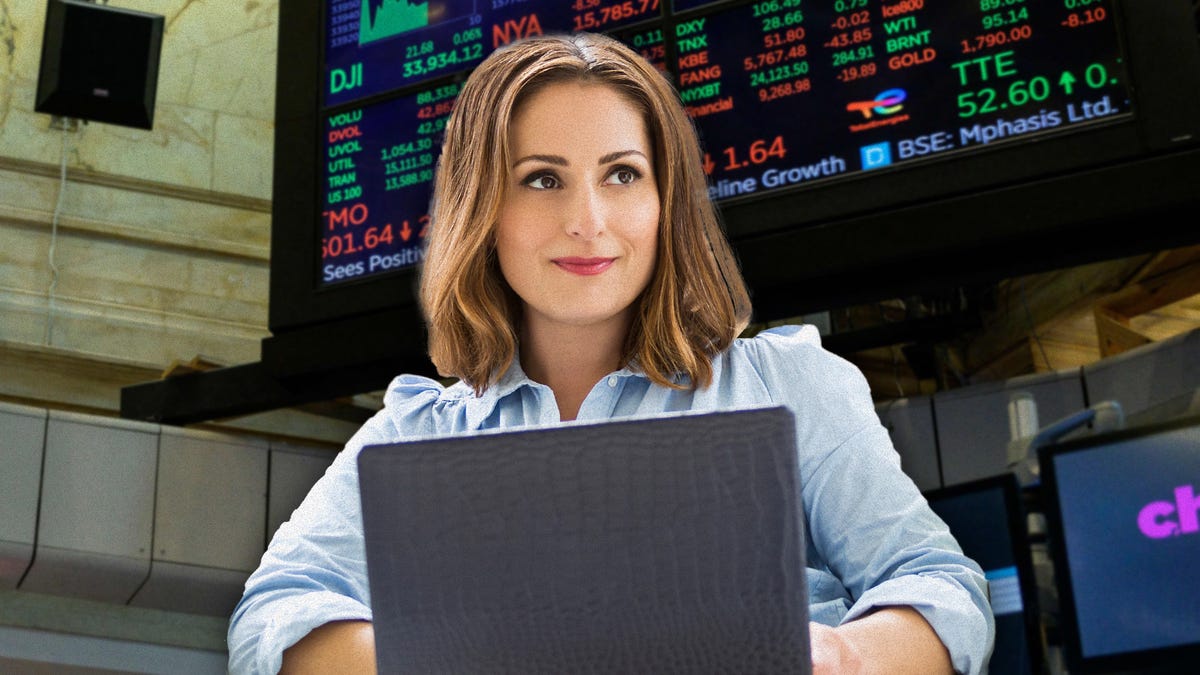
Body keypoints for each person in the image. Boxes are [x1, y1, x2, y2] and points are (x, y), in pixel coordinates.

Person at [228, 32, 994, 674]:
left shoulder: (792, 386)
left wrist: (841, 654)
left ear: (668, 201)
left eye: (622, 174)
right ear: (482, 209)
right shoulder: (415, 432)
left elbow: (945, 589)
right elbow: (271, 614)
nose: (587, 221)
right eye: (541, 179)